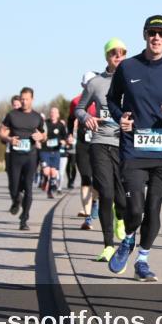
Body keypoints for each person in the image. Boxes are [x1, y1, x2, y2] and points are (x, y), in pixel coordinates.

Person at [107, 15, 162, 281]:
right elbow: (112, 98)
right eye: (152, 32)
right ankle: (128, 238)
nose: (157, 37)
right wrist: (120, 115)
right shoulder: (128, 67)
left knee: (153, 206)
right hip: (133, 150)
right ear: (144, 35)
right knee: (134, 210)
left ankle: (142, 260)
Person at [77, 40, 129, 261]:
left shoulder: (132, 81)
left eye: (122, 53)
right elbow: (80, 109)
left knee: (122, 197)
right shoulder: (95, 83)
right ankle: (108, 245)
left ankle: (120, 218)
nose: (118, 56)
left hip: (124, 144)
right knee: (105, 193)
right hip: (99, 141)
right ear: (106, 56)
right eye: (113, 53)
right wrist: (87, 117)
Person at [0, 88, 46, 230]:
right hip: (15, 156)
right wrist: (8, 138)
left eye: (27, 99)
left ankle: (24, 219)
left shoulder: (37, 117)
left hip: (31, 156)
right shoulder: (12, 115)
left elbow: (44, 135)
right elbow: (1, 132)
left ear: (32, 99)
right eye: (22, 99)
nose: (24, 102)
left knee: (28, 188)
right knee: (14, 186)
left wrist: (41, 137)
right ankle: (16, 199)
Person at [70, 72, 100, 227]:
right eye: (86, 83)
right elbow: (70, 119)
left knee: (99, 180)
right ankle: (87, 215)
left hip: (99, 143)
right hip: (82, 144)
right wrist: (69, 134)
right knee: (86, 177)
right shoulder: (76, 101)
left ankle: (94, 203)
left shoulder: (103, 98)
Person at [40, 106, 68, 197]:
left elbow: (65, 138)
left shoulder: (60, 125)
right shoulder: (45, 123)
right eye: (51, 112)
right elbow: (40, 134)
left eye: (55, 112)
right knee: (46, 172)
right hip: (45, 150)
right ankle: (44, 180)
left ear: (58, 115)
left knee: (54, 172)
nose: (53, 114)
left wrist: (64, 141)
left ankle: (51, 190)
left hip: (55, 151)